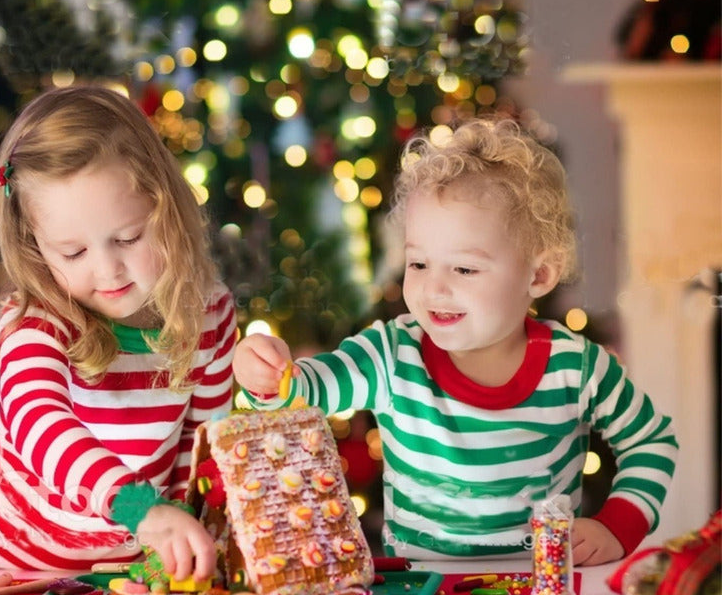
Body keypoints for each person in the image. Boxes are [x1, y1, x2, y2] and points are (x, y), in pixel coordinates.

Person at [233, 117, 678, 566]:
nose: (433, 289)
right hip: (423, 594)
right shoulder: (391, 354)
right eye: (419, 264)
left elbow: (652, 441)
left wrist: (616, 527)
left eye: (464, 269)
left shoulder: (575, 366)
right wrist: (269, 376)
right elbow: (308, 390)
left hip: (543, 590)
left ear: (539, 275)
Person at [0, 85, 236, 580]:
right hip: (13, 568)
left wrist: (192, 540)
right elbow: (41, 426)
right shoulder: (35, 322)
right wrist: (141, 511)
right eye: (73, 253)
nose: (108, 271)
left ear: (166, 206)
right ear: (36, 245)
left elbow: (203, 447)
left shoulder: (207, 313)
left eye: (128, 237)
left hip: (129, 572)